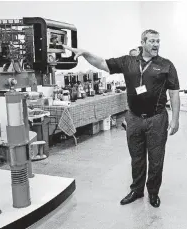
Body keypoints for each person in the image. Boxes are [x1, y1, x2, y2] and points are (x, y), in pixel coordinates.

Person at [63, 29, 180, 208]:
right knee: (137, 157)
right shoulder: (128, 61)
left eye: (158, 41)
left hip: (157, 118)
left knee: (156, 158)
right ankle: (137, 190)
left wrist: (175, 119)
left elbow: (174, 93)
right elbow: (102, 63)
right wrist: (85, 53)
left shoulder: (166, 65)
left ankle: (153, 193)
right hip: (133, 118)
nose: (156, 44)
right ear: (143, 42)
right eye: (152, 41)